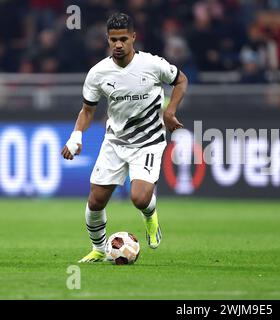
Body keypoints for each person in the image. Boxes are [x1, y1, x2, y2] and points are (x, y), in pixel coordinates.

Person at [61, 13, 188, 263]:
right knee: (96, 201)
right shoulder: (98, 73)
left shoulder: (152, 64)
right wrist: (76, 136)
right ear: (107, 40)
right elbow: (87, 110)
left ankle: (151, 218)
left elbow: (181, 80)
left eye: (123, 39)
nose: (118, 44)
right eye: (113, 40)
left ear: (133, 38)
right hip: (115, 142)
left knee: (139, 198)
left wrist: (170, 110)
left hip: (149, 140)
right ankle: (99, 248)